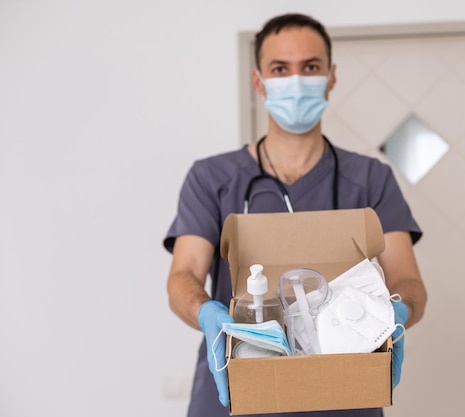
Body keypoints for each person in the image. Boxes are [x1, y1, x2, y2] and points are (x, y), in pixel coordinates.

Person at [163, 13, 427, 417]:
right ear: (259, 81)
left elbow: (409, 281)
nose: (297, 81)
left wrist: (397, 312)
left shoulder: (370, 179)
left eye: (311, 67)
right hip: (238, 388)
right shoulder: (212, 178)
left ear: (331, 77)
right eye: (280, 69)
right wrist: (206, 312)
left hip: (343, 392)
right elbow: (183, 276)